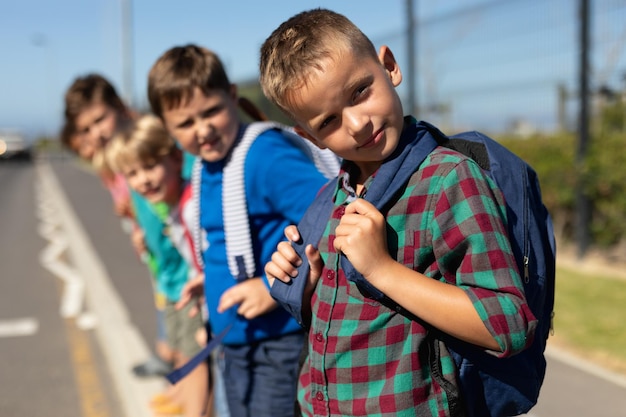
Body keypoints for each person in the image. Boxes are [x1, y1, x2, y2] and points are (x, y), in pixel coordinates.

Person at [260, 8, 538, 417]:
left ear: (389, 67)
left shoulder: (448, 180)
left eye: (359, 91)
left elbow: (507, 324)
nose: (357, 123)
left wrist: (381, 269)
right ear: (309, 137)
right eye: (329, 120)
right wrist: (308, 284)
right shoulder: (332, 198)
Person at [147, 43, 330, 417]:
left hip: (276, 342)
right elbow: (227, 238)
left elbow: (329, 218)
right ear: (167, 129)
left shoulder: (264, 155)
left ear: (231, 96)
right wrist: (212, 280)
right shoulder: (205, 165)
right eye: (185, 123)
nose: (203, 129)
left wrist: (270, 287)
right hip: (234, 340)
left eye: (211, 111)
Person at [61, 74, 176, 380]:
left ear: (120, 107)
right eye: (85, 129)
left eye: (100, 120)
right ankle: (172, 360)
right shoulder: (108, 156)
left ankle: (175, 362)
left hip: (177, 247)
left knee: (176, 302)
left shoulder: (145, 141)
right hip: (154, 246)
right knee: (162, 294)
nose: (95, 133)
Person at [106, 114, 210, 417]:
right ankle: (183, 402)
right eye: (133, 174)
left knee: (195, 363)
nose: (143, 180)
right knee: (181, 352)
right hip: (175, 287)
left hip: (191, 290)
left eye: (150, 167)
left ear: (176, 159)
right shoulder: (161, 202)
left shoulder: (190, 201)